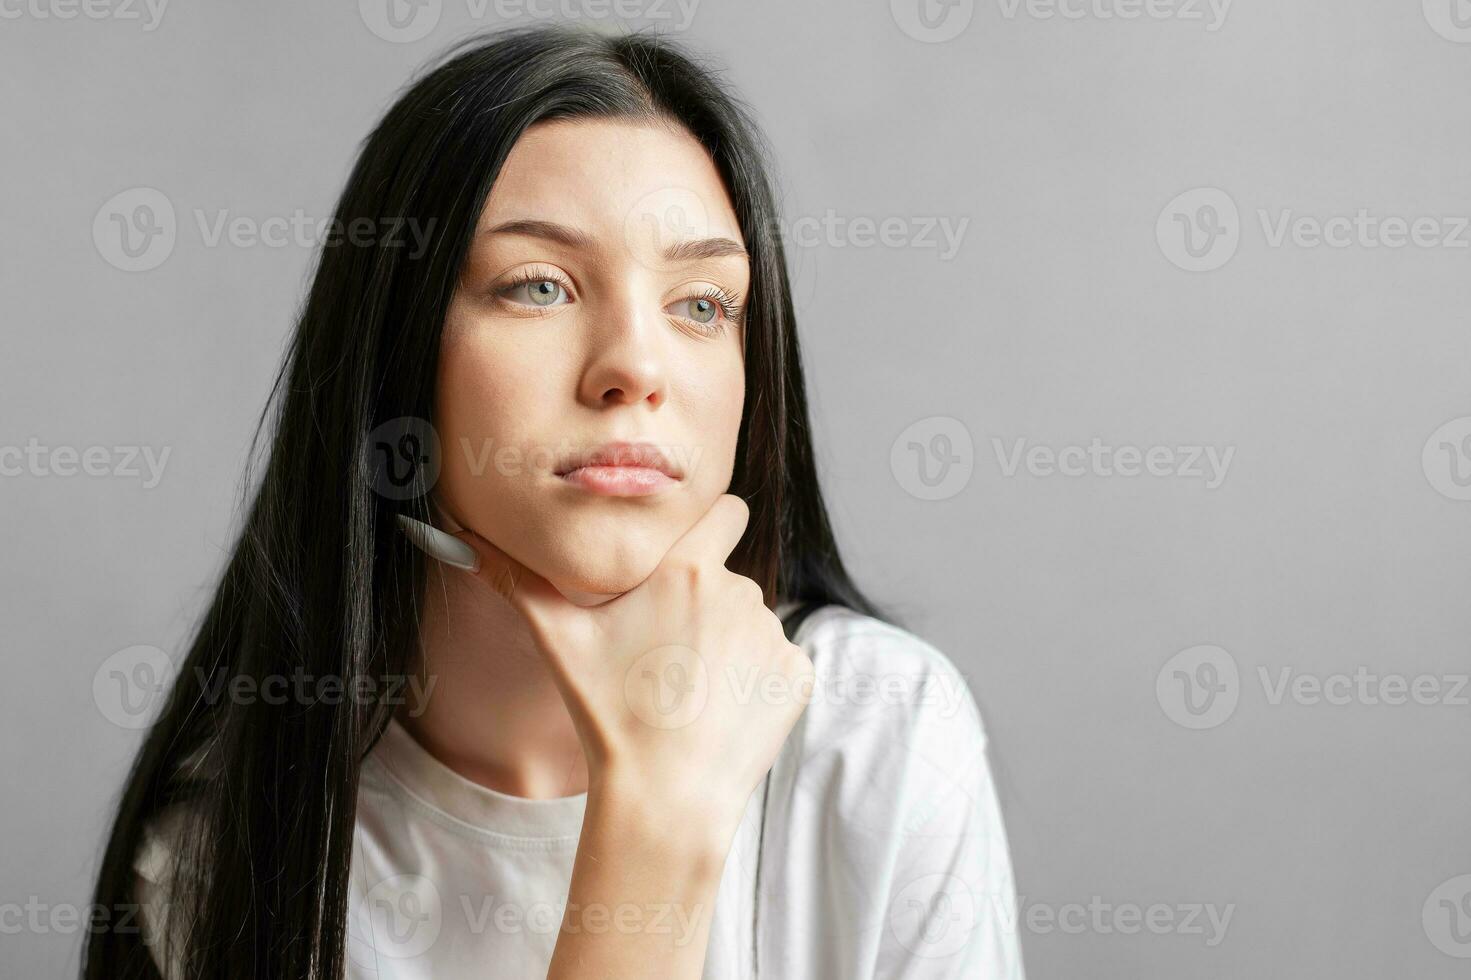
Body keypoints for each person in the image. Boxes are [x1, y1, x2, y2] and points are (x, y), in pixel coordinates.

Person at [83, 24, 1024, 979]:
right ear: (395, 360)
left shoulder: (880, 728)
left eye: (701, 304)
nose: (635, 366)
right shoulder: (234, 855)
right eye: (539, 286)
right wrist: (653, 828)